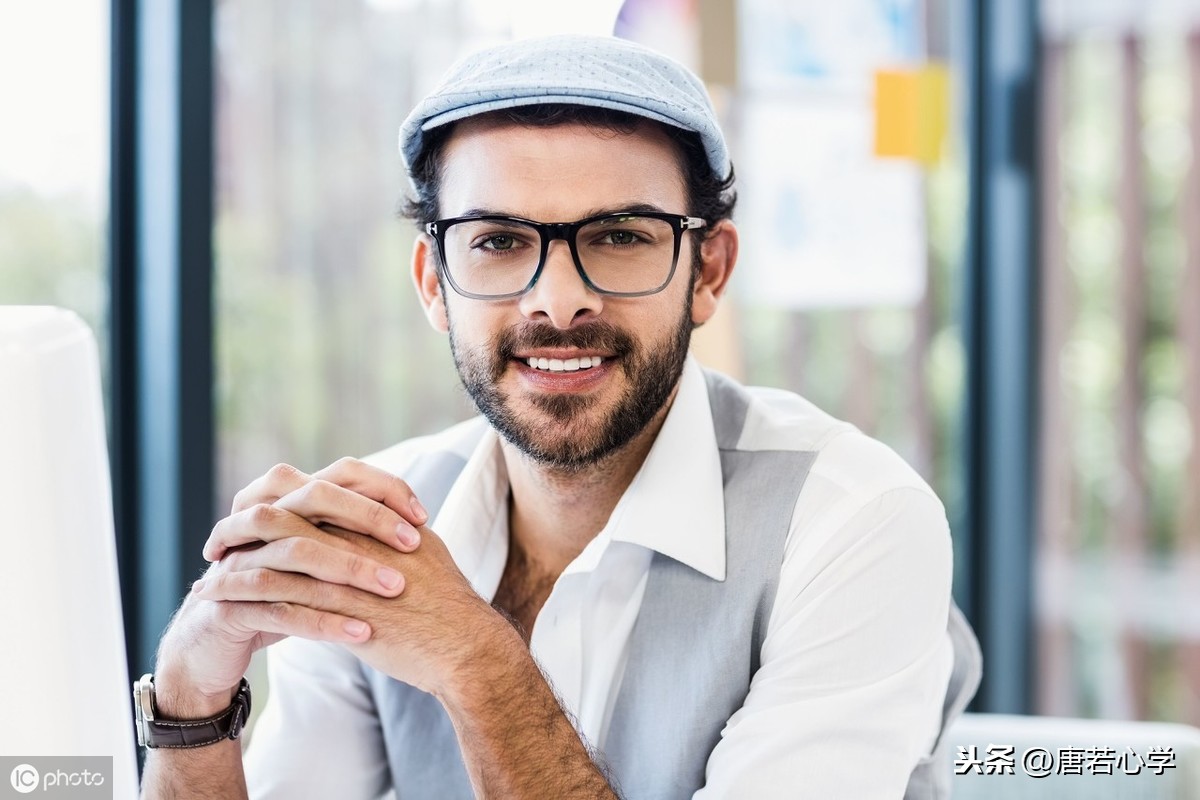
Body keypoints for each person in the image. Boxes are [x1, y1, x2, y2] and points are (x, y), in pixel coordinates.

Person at [139, 34, 980, 799]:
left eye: (619, 235)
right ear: (435, 282)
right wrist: (190, 704)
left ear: (708, 272)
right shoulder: (376, 526)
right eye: (499, 240)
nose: (560, 301)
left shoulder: (852, 520)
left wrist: (479, 663)